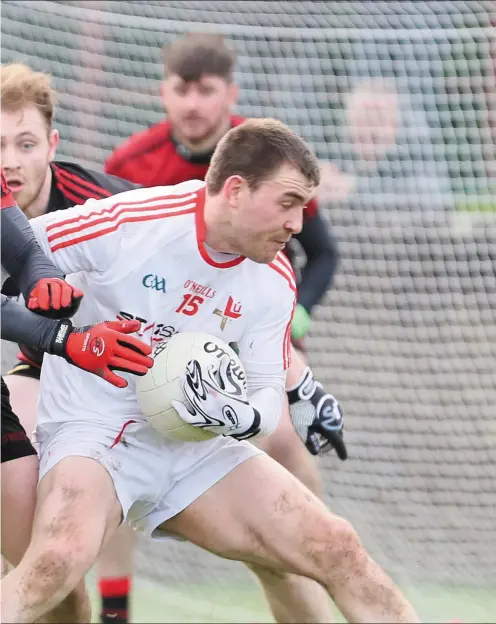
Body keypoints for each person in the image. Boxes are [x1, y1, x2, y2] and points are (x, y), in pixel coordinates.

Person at [1, 118, 419, 624]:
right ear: (237, 190)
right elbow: (19, 254)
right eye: (288, 203)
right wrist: (61, 334)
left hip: (195, 448)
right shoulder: (131, 222)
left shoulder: (275, 277)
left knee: (337, 546)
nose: (297, 225)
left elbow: (268, 393)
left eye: (303, 208)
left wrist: (240, 416)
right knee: (54, 564)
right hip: (95, 433)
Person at [105, 34, 345, 621]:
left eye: (206, 91)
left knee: (284, 441)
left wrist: (298, 317)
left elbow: (324, 253)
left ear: (229, 94)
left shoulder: (272, 166)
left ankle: (322, 556)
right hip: (160, 342)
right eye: (181, 89)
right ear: (163, 91)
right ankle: (115, 611)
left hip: (252, 340)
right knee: (105, 459)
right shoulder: (130, 166)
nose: (192, 104)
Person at [0, 62, 147, 623]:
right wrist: (64, 335)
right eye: (1, 145)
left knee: (56, 583)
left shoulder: (103, 205)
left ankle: (114, 610)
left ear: (52, 145)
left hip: (121, 368)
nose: (10, 160)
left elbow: (182, 250)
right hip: (49, 362)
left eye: (25, 143)